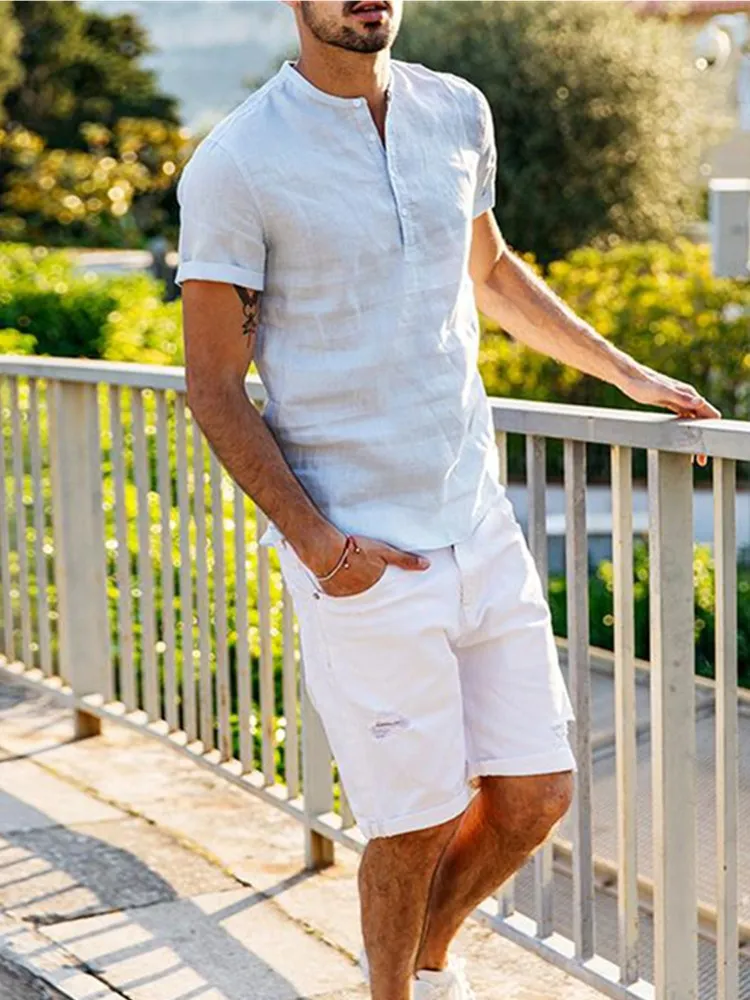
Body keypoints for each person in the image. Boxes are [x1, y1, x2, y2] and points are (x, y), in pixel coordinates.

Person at [176, 3, 720, 997]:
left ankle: (423, 964)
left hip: (478, 520)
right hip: (360, 548)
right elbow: (214, 387)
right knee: (413, 821)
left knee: (536, 794)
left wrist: (628, 375)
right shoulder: (239, 161)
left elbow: (493, 273)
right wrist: (322, 546)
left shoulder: (457, 110)